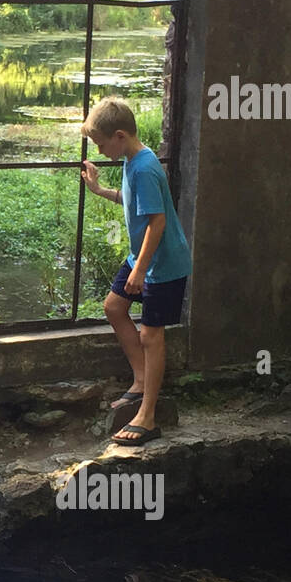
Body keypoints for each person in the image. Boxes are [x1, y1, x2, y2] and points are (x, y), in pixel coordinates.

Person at [80, 98, 191, 446]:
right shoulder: (134, 160)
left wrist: (141, 270)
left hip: (163, 262)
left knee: (151, 335)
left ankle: (147, 415)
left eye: (101, 143)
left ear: (120, 134)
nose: (99, 149)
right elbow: (136, 204)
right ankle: (141, 380)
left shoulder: (143, 167)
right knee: (114, 307)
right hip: (142, 256)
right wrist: (100, 190)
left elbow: (157, 223)